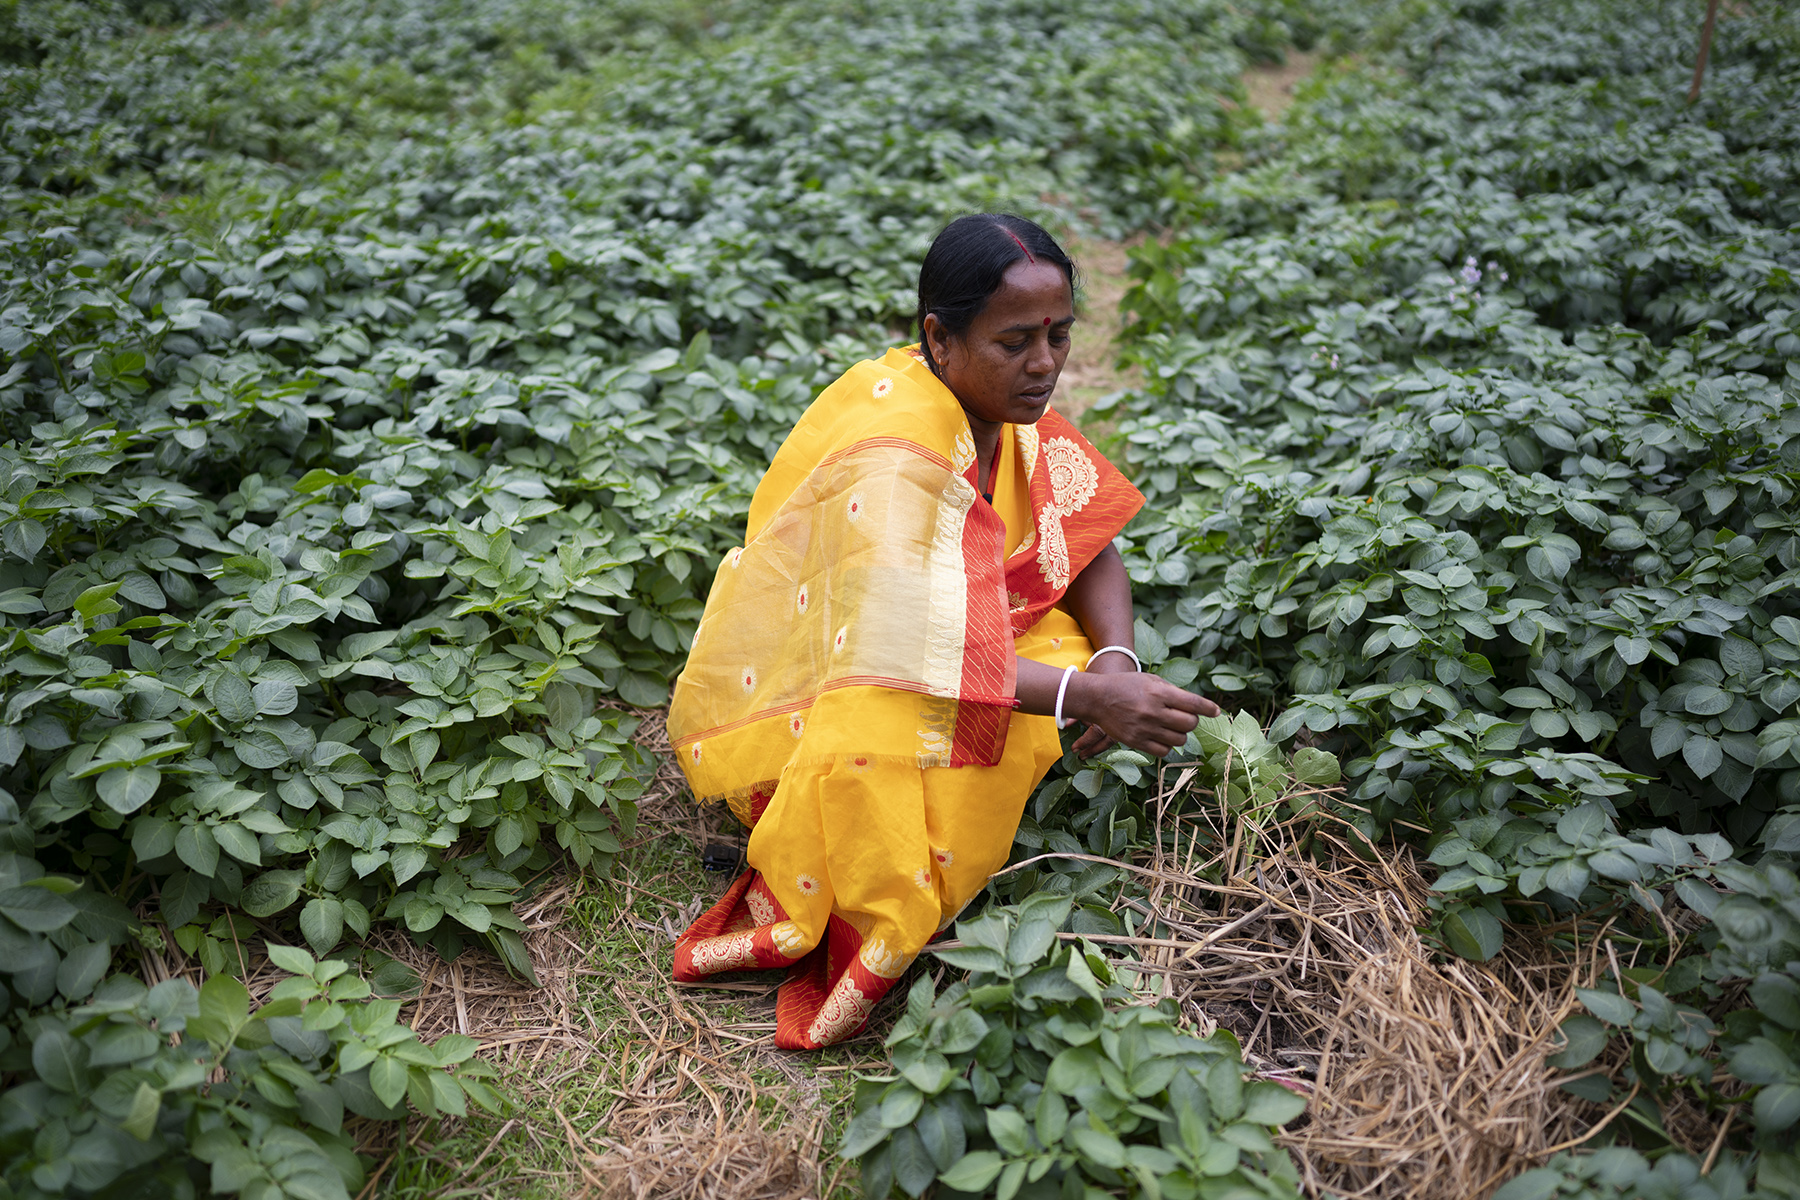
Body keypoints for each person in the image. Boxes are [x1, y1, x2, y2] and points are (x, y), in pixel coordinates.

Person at [666, 214, 1219, 1049]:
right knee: (904, 774)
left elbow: (1091, 544)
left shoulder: (1009, 408)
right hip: (864, 675)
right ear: (939, 338)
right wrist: (1092, 697)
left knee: (1062, 656)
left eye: (1059, 336)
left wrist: (1112, 660)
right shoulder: (901, 451)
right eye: (1015, 342)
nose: (1044, 366)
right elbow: (913, 651)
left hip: (970, 640)